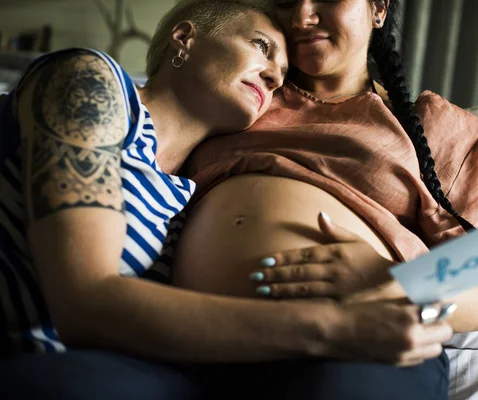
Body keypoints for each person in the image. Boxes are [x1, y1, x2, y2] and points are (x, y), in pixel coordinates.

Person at [0, 0, 454, 399]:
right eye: (260, 46)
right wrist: (335, 328)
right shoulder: (91, 84)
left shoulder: (186, 197)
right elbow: (86, 303)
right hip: (56, 365)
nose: (276, 74)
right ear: (185, 36)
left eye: (280, 77)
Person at [172, 0, 478, 398]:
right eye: (285, 1)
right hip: (199, 340)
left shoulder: (440, 127)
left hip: (356, 345)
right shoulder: (240, 95)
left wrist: (388, 277)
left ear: (379, 9)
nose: (302, 17)